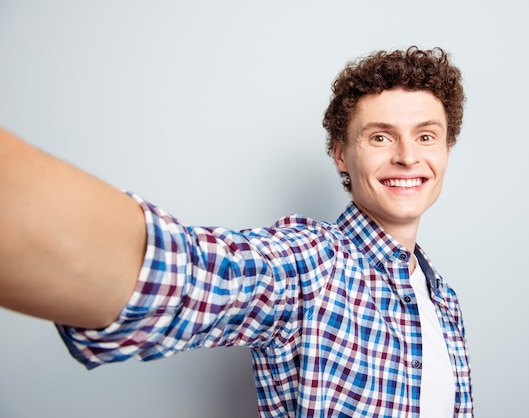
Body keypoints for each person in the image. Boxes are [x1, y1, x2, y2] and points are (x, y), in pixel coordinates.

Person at [0, 46, 473, 416]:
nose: (408, 156)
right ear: (341, 154)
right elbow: (191, 275)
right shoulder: (315, 262)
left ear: (445, 150)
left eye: (426, 135)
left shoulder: (444, 303)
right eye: (380, 136)